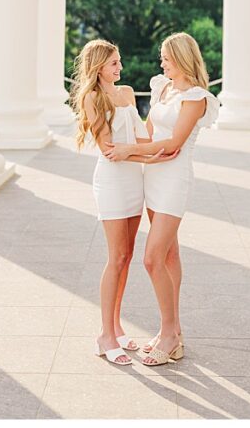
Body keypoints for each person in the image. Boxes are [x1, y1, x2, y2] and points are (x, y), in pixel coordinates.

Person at [103, 32, 218, 366]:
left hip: (174, 178)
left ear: (182, 58)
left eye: (166, 58)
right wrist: (129, 148)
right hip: (153, 174)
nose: (162, 62)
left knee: (151, 258)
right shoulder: (163, 88)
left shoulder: (197, 98)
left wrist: (131, 151)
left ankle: (168, 332)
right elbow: (150, 134)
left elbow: (174, 143)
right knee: (169, 253)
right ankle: (175, 331)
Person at [71, 40, 177, 367]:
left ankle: (116, 328)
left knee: (127, 256)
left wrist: (161, 152)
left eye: (120, 61)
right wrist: (145, 153)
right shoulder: (92, 98)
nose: (121, 68)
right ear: (99, 66)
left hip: (134, 177)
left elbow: (138, 139)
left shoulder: (128, 92)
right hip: (112, 181)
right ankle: (104, 335)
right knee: (115, 256)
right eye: (114, 63)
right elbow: (108, 147)